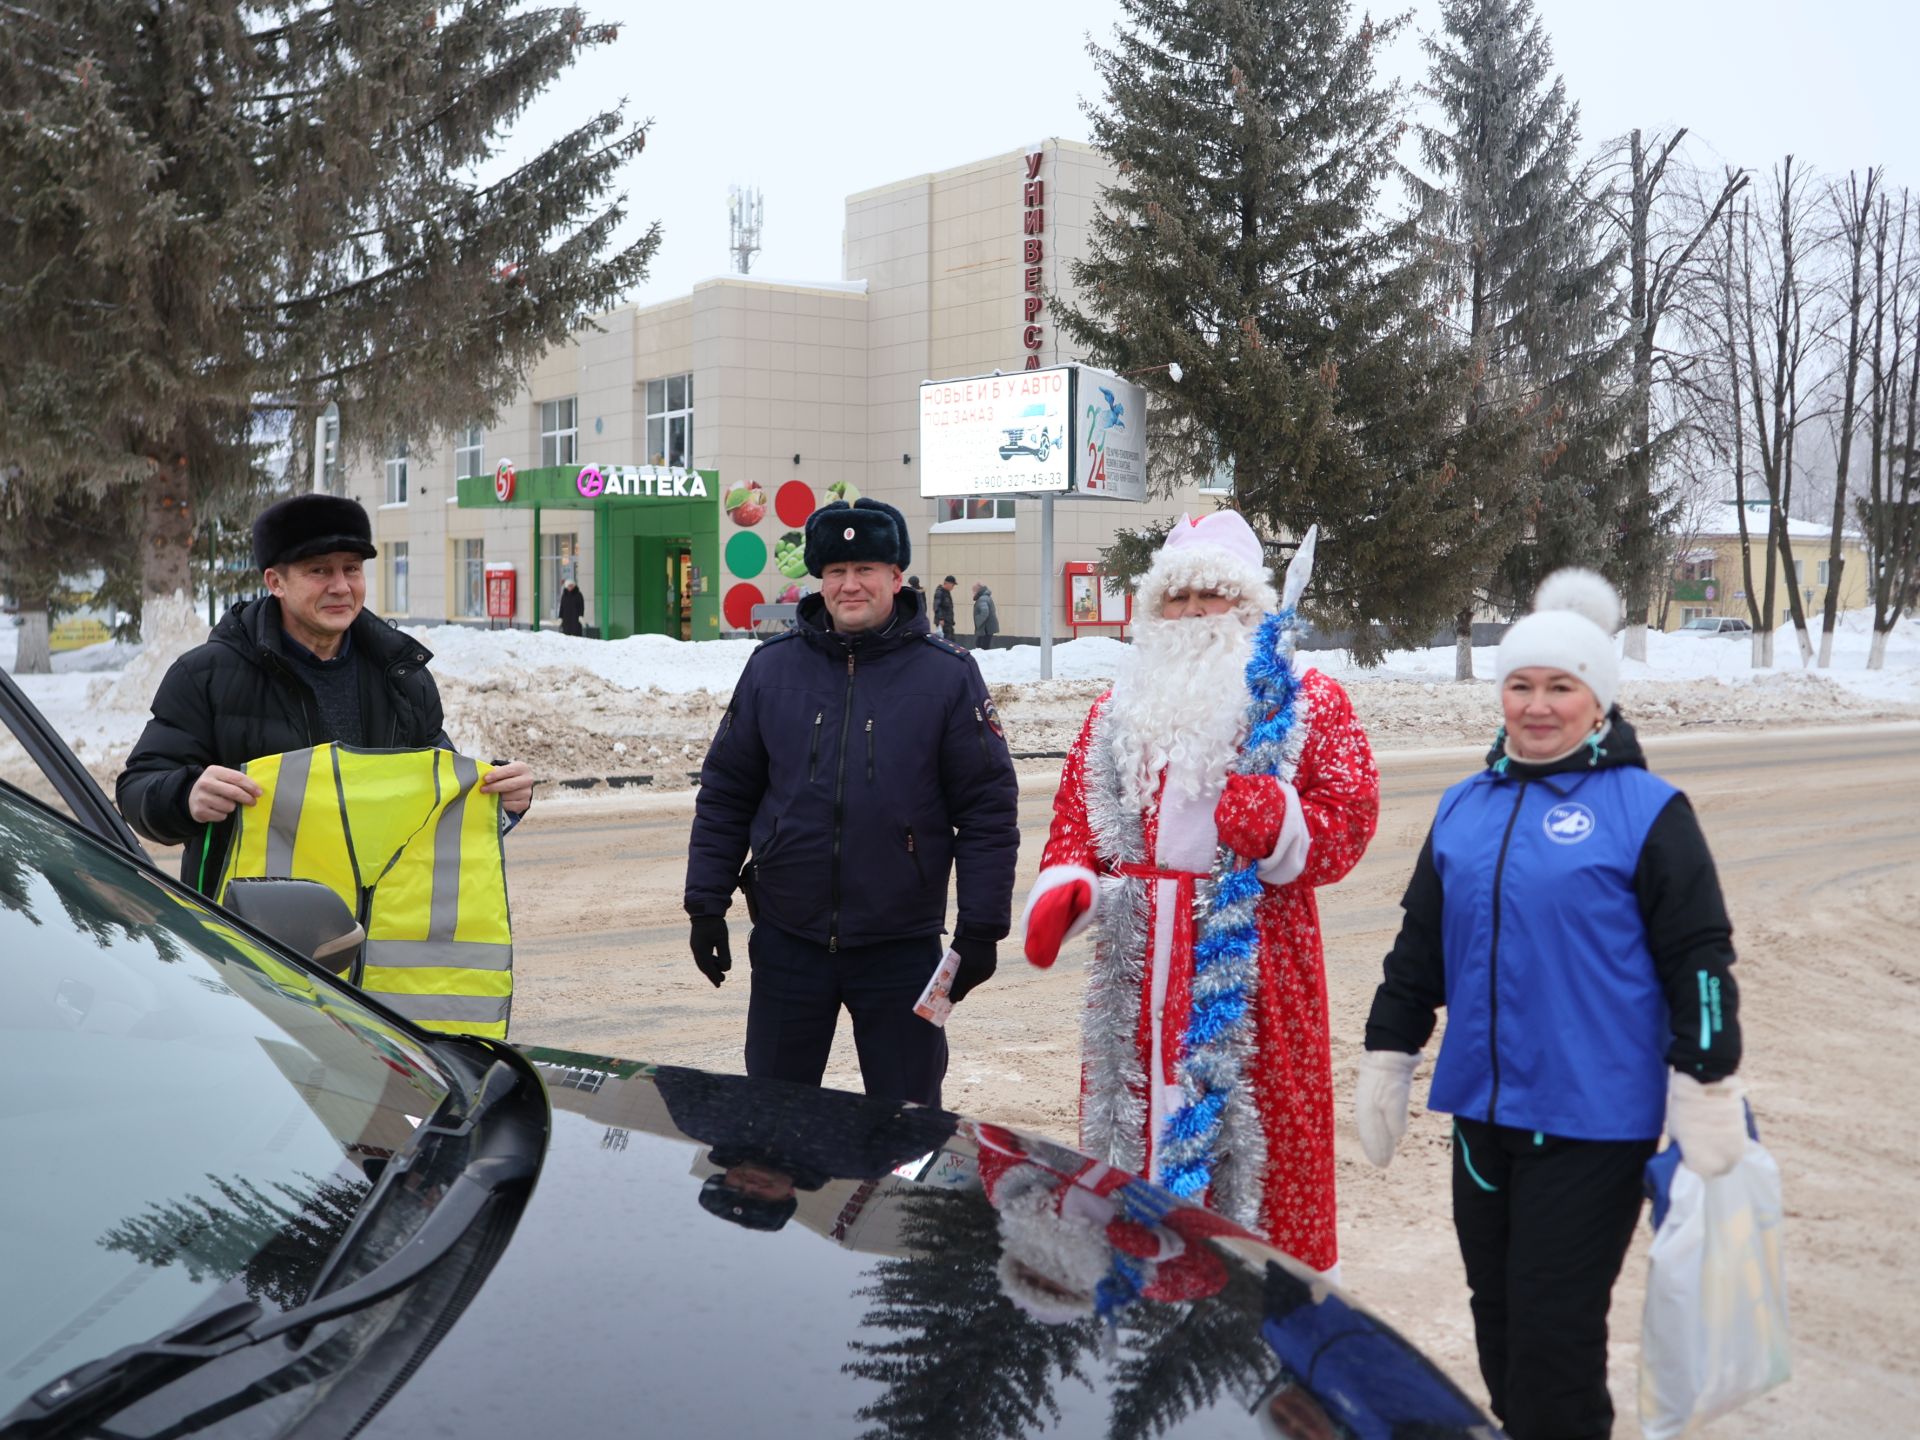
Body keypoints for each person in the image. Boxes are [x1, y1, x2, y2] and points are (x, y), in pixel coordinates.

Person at [1354, 568, 1748, 1440]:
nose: (1537, 705)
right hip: (1482, 1121)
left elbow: (1700, 958)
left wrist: (1707, 1081)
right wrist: (1389, 1055)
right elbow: (1419, 952)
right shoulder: (1463, 807)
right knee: (1498, 1332)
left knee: (1553, 1344)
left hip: (1591, 1124)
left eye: (1560, 687)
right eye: (1521, 685)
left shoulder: (1647, 811)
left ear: (1597, 700)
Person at [1020, 513, 1379, 1275]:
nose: (1189, 616)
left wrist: (1277, 819)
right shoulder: (1116, 710)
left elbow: (1349, 817)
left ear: (1247, 608)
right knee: (1134, 1128)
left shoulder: (1304, 700)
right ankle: (1140, 1282)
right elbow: (1077, 819)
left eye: (1209, 599)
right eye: (1175, 601)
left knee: (1257, 1134)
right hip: (1139, 967)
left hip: (1252, 960)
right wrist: (1068, 890)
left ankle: (1265, 1304)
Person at [683, 497, 1019, 1107]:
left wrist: (981, 931)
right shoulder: (771, 670)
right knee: (772, 1129)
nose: (850, 584)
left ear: (896, 576)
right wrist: (705, 904)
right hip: (789, 943)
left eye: (866, 568)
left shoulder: (947, 676)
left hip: (903, 949)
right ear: (820, 579)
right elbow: (727, 792)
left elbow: (987, 809)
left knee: (907, 1134)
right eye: (836, 571)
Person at [117, 494, 534, 895]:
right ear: (275, 582)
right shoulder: (205, 675)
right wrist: (186, 794)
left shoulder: (402, 675)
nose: (340, 586)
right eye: (319, 571)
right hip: (253, 938)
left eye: (351, 569)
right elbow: (138, 789)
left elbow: (435, 802)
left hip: (377, 936)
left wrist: (499, 798)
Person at [971, 581, 1000, 650]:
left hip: (986, 629)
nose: (973, 593)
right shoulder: (985, 597)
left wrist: (977, 621)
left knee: (981, 647)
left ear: (978, 591)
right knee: (981, 646)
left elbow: (984, 612)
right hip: (987, 628)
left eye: (974, 591)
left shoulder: (982, 599)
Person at [933, 574, 958, 643]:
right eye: (953, 585)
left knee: (951, 642)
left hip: (948, 622)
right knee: (946, 642)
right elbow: (936, 606)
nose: (953, 587)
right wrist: (940, 619)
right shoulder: (940, 592)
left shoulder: (947, 593)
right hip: (943, 622)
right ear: (948, 583)